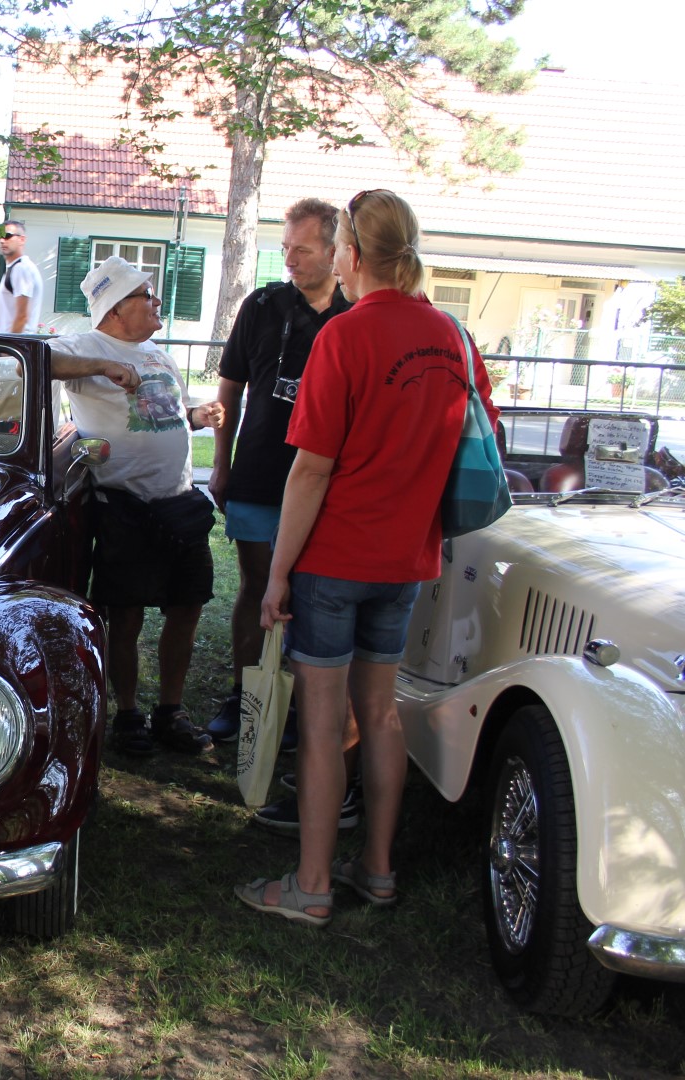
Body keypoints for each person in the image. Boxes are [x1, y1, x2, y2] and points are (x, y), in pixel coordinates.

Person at [235, 189, 498, 927]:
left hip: (334, 560)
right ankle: (377, 871)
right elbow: (476, 434)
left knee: (323, 725)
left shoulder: (345, 336)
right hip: (407, 559)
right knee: (381, 717)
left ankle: (312, 884)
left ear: (351, 252)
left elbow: (311, 469)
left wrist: (278, 572)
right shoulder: (452, 335)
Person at [49, 255, 225, 756]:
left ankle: (171, 712)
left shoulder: (159, 355)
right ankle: (127, 715)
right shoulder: (85, 345)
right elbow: (37, 361)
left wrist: (198, 415)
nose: (156, 302)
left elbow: (171, 416)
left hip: (179, 502)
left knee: (186, 607)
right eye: (146, 295)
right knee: (124, 617)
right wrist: (103, 365)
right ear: (116, 308)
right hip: (124, 506)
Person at [206, 198, 352, 746]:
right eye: (285, 248)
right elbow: (230, 389)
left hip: (331, 487)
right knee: (256, 586)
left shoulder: (354, 314)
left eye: (303, 250)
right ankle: (246, 698)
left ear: (336, 252)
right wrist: (222, 462)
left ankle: (298, 708)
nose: (289, 260)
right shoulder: (263, 304)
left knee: (313, 597)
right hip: (261, 472)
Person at [0, 220, 44, 334]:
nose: (2, 240)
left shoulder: (21, 269)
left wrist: (8, 350)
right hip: (9, 345)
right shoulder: (16, 268)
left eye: (7, 236)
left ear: (21, 239)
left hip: (12, 347)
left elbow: (22, 316)